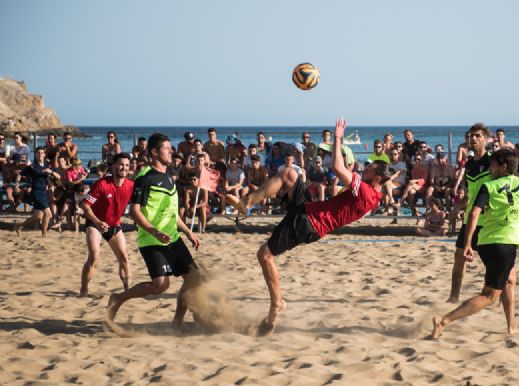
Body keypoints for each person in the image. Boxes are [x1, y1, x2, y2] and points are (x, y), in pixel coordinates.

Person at [228, 118, 390, 335]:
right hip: (310, 211)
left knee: (265, 255)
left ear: (377, 177)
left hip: (310, 223)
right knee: (288, 173)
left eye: (370, 169)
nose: (366, 168)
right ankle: (246, 203)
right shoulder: (375, 194)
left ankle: (277, 304)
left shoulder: (366, 192)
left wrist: (338, 136)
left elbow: (336, 166)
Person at [432, 149, 519, 339]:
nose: (490, 168)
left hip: (486, 242)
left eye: (492, 165)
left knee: (510, 279)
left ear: (504, 166)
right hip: (505, 243)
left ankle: (512, 326)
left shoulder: (489, 186)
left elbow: (474, 213)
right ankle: (443, 320)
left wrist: (467, 243)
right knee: (489, 296)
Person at [107, 133, 201, 330]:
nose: (171, 152)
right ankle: (118, 298)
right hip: (152, 240)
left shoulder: (168, 178)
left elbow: (172, 213)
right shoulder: (145, 177)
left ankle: (177, 321)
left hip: (173, 239)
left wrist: (188, 232)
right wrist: (155, 231)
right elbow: (134, 211)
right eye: (167, 149)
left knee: (193, 279)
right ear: (155, 152)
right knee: (160, 286)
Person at [447, 123, 492, 303]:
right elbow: (468, 195)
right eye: (471, 136)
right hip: (469, 221)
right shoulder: (470, 164)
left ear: (486, 139)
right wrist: (456, 209)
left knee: (492, 265)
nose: (473, 139)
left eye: (477, 136)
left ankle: (490, 298)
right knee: (459, 258)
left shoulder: (492, 162)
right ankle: (453, 297)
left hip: (488, 221)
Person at [80, 153, 134, 297]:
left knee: (124, 257)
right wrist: (97, 222)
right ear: (114, 166)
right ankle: (84, 290)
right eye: (121, 165)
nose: (124, 168)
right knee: (94, 255)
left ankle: (127, 291)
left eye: (127, 165)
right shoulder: (102, 184)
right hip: (95, 222)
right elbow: (84, 204)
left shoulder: (130, 185)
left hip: (114, 224)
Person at [14, 146, 59, 237]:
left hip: (44, 192)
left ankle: (19, 225)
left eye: (42, 153)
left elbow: (58, 177)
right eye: (38, 153)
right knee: (48, 214)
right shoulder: (32, 166)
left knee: (37, 217)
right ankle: (44, 234)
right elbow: (20, 173)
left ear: (44, 154)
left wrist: (50, 172)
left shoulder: (48, 165)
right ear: (35, 154)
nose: (40, 154)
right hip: (36, 192)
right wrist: (17, 185)